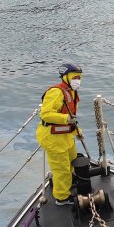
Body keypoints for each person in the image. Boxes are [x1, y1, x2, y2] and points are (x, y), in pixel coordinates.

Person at [37, 62, 83, 206]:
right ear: (66, 77)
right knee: (61, 168)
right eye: (75, 77)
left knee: (72, 161)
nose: (78, 80)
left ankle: (69, 182)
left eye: (79, 77)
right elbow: (46, 114)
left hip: (65, 136)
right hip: (52, 137)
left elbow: (72, 118)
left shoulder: (72, 92)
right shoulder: (56, 92)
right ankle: (62, 197)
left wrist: (77, 132)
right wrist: (65, 119)